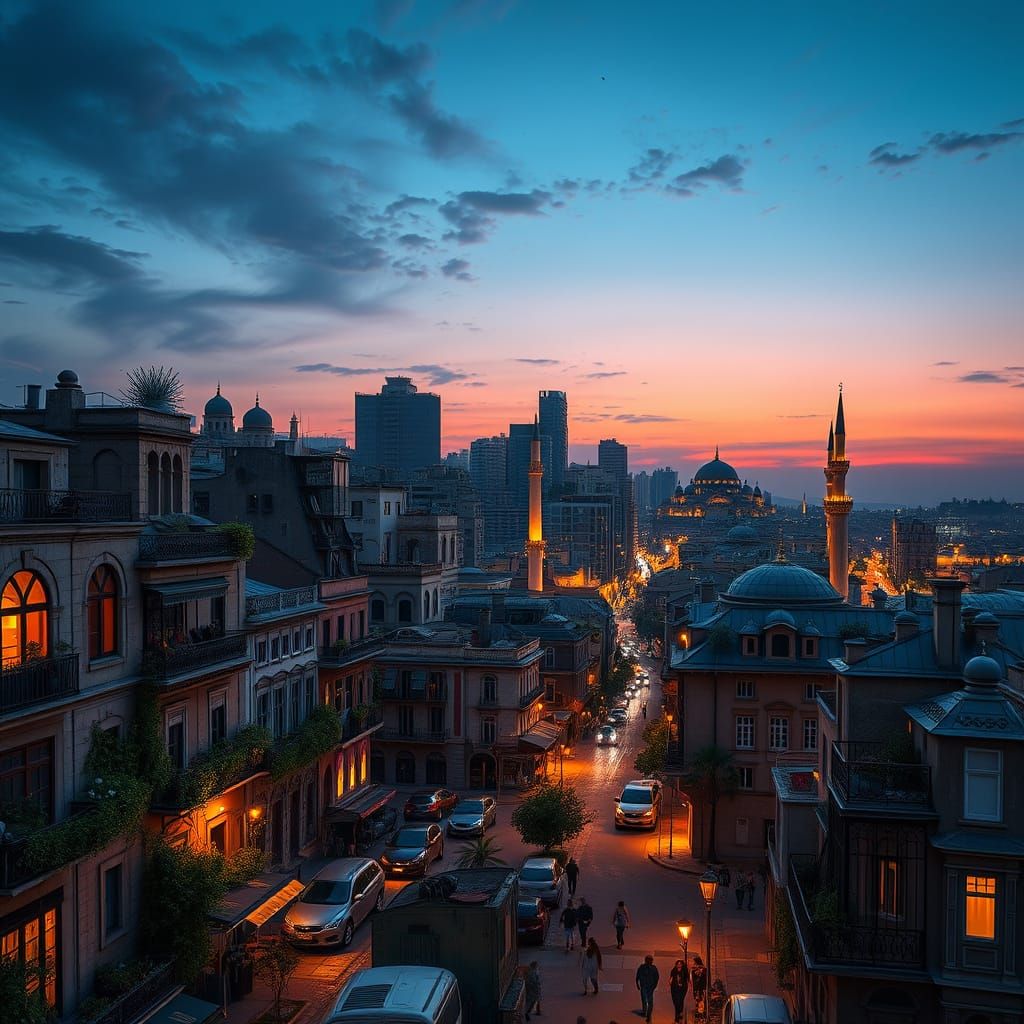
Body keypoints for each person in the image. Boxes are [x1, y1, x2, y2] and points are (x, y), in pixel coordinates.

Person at [635, 954, 660, 1023]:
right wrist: (637, 983)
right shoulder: (643, 967)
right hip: (646, 986)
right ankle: (646, 1012)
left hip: (648, 987)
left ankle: (647, 1013)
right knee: (647, 1000)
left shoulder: (652, 968)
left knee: (647, 1000)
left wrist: (654, 986)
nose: (649, 961)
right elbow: (638, 976)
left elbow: (657, 978)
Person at [669, 958, 689, 1022]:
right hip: (674, 988)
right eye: (678, 964)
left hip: (683, 988)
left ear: (682, 965)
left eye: (680, 964)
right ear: (676, 965)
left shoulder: (684, 970)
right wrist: (670, 982)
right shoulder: (673, 970)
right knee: (675, 1001)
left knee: (680, 1000)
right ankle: (679, 1012)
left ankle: (678, 1014)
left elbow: (688, 979)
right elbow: (671, 978)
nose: (679, 965)